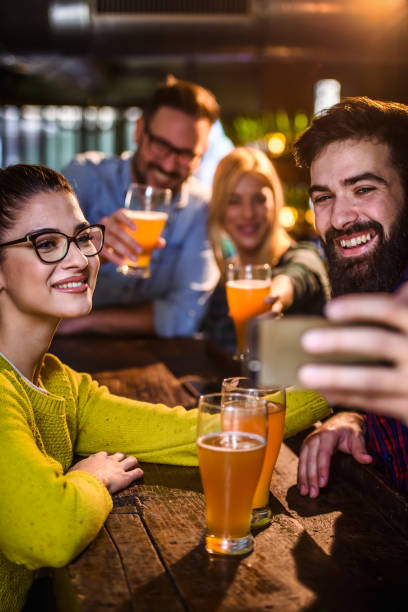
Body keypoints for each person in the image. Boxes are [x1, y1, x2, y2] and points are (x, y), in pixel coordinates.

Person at [0, 164, 199, 612]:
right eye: (47, 244)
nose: (79, 259)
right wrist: (92, 479)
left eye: (82, 237)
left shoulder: (58, 384)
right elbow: (48, 531)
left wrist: (344, 394)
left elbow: (193, 431)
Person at [292, 96, 408, 497]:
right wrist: (355, 419)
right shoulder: (374, 285)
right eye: (323, 197)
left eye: (363, 188)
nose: (340, 218)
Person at [59, 75, 220, 338]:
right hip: (65, 349)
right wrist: (92, 249)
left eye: (185, 154)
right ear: (139, 130)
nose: (168, 166)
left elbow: (185, 316)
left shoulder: (200, 208)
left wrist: (85, 322)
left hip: (149, 354)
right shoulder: (85, 178)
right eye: (161, 145)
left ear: (202, 154)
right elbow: (32, 268)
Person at [203, 146, 330, 353]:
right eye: (234, 201)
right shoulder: (222, 277)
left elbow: (299, 274)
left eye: (259, 199)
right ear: (219, 208)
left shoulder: (302, 255)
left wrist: (275, 295)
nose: (248, 213)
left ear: (275, 202)